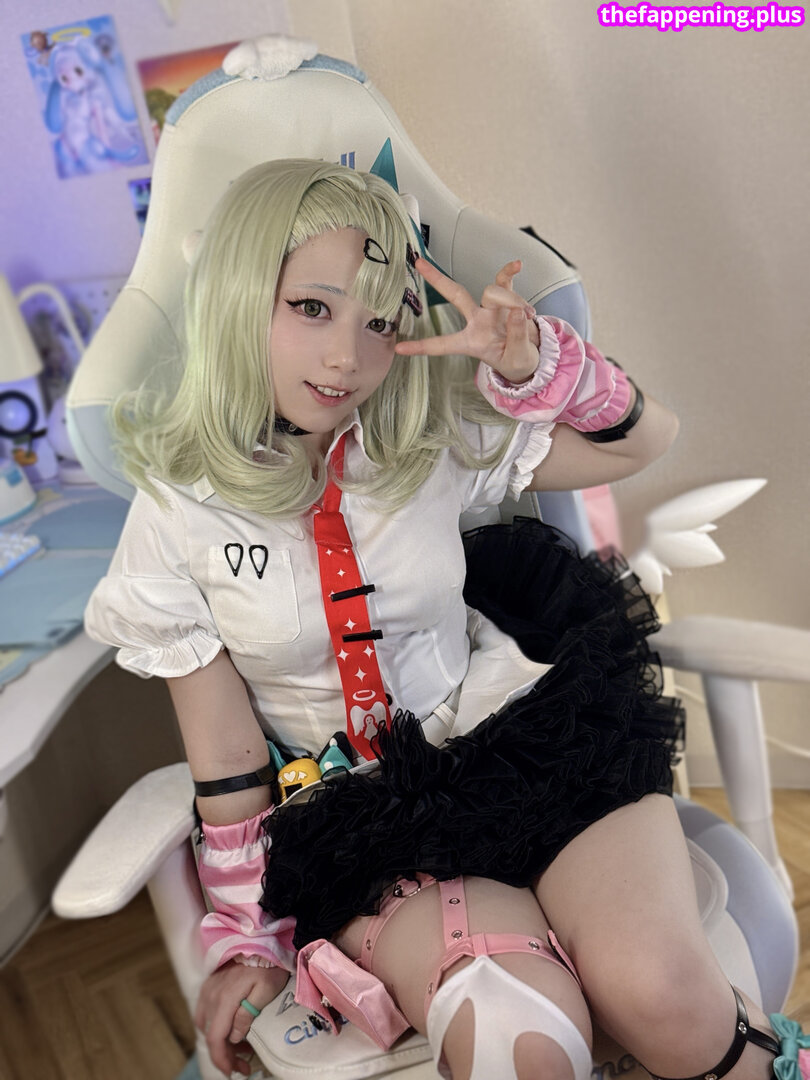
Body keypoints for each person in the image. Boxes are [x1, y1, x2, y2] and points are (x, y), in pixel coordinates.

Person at [84, 159, 790, 1080]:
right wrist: (249, 937)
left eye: (380, 322)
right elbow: (226, 759)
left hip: (527, 745)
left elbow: (646, 441)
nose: (348, 356)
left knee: (662, 995)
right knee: (517, 1041)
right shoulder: (178, 509)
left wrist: (535, 362)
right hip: (365, 821)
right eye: (311, 307)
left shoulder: (425, 440)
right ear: (237, 296)